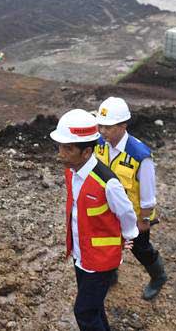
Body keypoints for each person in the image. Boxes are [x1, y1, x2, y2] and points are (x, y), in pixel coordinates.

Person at [50, 109, 138, 331]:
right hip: (81, 254)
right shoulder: (71, 171)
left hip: (101, 260)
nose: (60, 153)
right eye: (60, 146)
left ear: (87, 151)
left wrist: (129, 236)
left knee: (85, 312)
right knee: (95, 307)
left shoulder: (108, 182)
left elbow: (127, 212)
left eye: (67, 148)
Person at [95, 97, 167, 300]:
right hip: (108, 210)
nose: (102, 131)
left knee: (140, 249)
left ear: (123, 126)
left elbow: (148, 194)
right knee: (109, 244)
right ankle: (111, 274)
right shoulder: (100, 145)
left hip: (134, 216)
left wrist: (144, 219)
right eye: (101, 125)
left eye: (108, 127)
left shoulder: (139, 155)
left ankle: (158, 276)